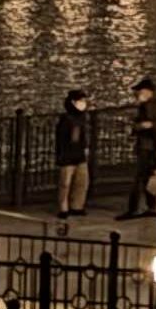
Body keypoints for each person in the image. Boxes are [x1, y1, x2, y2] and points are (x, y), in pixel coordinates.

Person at [115, 79, 156, 222]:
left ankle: (134, 209)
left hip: (147, 146)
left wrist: (143, 126)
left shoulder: (151, 106)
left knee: (139, 178)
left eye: (140, 91)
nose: (138, 94)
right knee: (147, 178)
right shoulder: (152, 105)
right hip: (149, 146)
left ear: (149, 91)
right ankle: (151, 206)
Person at [52, 89, 94, 222]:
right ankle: (64, 208)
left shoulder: (82, 118)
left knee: (81, 182)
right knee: (65, 184)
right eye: (81, 101)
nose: (83, 103)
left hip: (79, 155)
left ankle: (77, 206)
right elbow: (63, 139)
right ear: (73, 102)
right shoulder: (67, 119)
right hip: (68, 156)